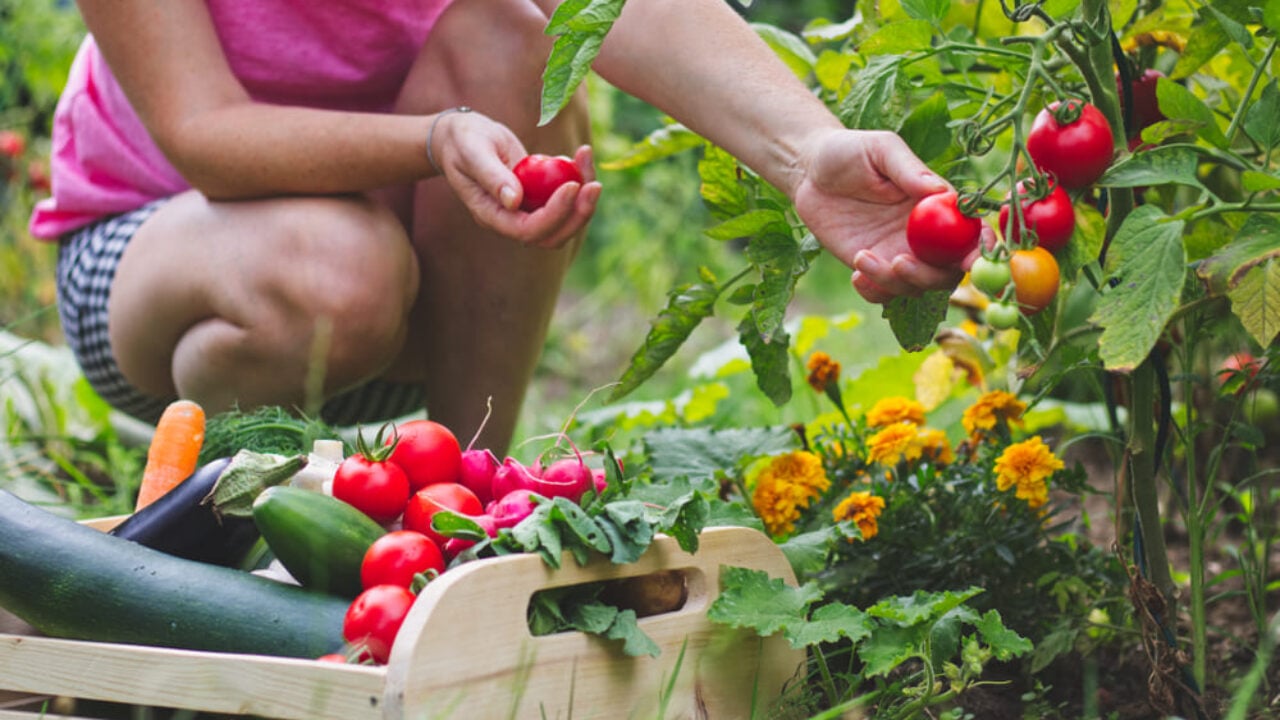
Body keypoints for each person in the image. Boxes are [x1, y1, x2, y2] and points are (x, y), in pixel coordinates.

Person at [32, 0, 963, 456]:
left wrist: (808, 151)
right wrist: (435, 141)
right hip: (165, 273)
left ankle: (463, 490)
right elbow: (207, 138)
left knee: (513, 36)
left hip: (409, 304)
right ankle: (215, 527)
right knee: (331, 270)